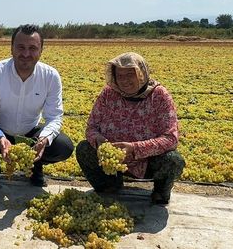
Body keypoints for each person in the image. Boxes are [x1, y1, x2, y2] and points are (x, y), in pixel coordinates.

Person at [0, 24, 74, 190]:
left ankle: (35, 165)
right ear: (12, 48)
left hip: (31, 133)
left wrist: (43, 139)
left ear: (41, 51)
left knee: (63, 146)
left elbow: (55, 117)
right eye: (20, 47)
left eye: (32, 48)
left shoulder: (50, 76)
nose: (26, 54)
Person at [76, 52, 185, 204]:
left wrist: (134, 148)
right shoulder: (108, 93)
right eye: (120, 76)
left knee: (173, 160)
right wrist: (100, 141)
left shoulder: (159, 95)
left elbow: (171, 139)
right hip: (111, 161)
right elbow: (91, 127)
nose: (124, 81)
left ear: (142, 73)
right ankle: (109, 186)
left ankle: (160, 191)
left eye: (130, 74)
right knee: (84, 149)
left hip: (147, 161)